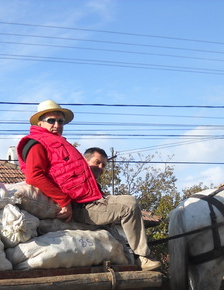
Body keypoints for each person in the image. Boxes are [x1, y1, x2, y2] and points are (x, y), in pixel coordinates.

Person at [17, 100, 160, 271]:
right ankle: (142, 257)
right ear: (40, 123)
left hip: (88, 201)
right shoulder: (37, 144)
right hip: (80, 205)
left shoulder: (57, 143)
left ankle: (132, 256)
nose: (57, 125)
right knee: (129, 204)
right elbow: (34, 176)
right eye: (51, 121)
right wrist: (64, 201)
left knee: (120, 216)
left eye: (60, 121)